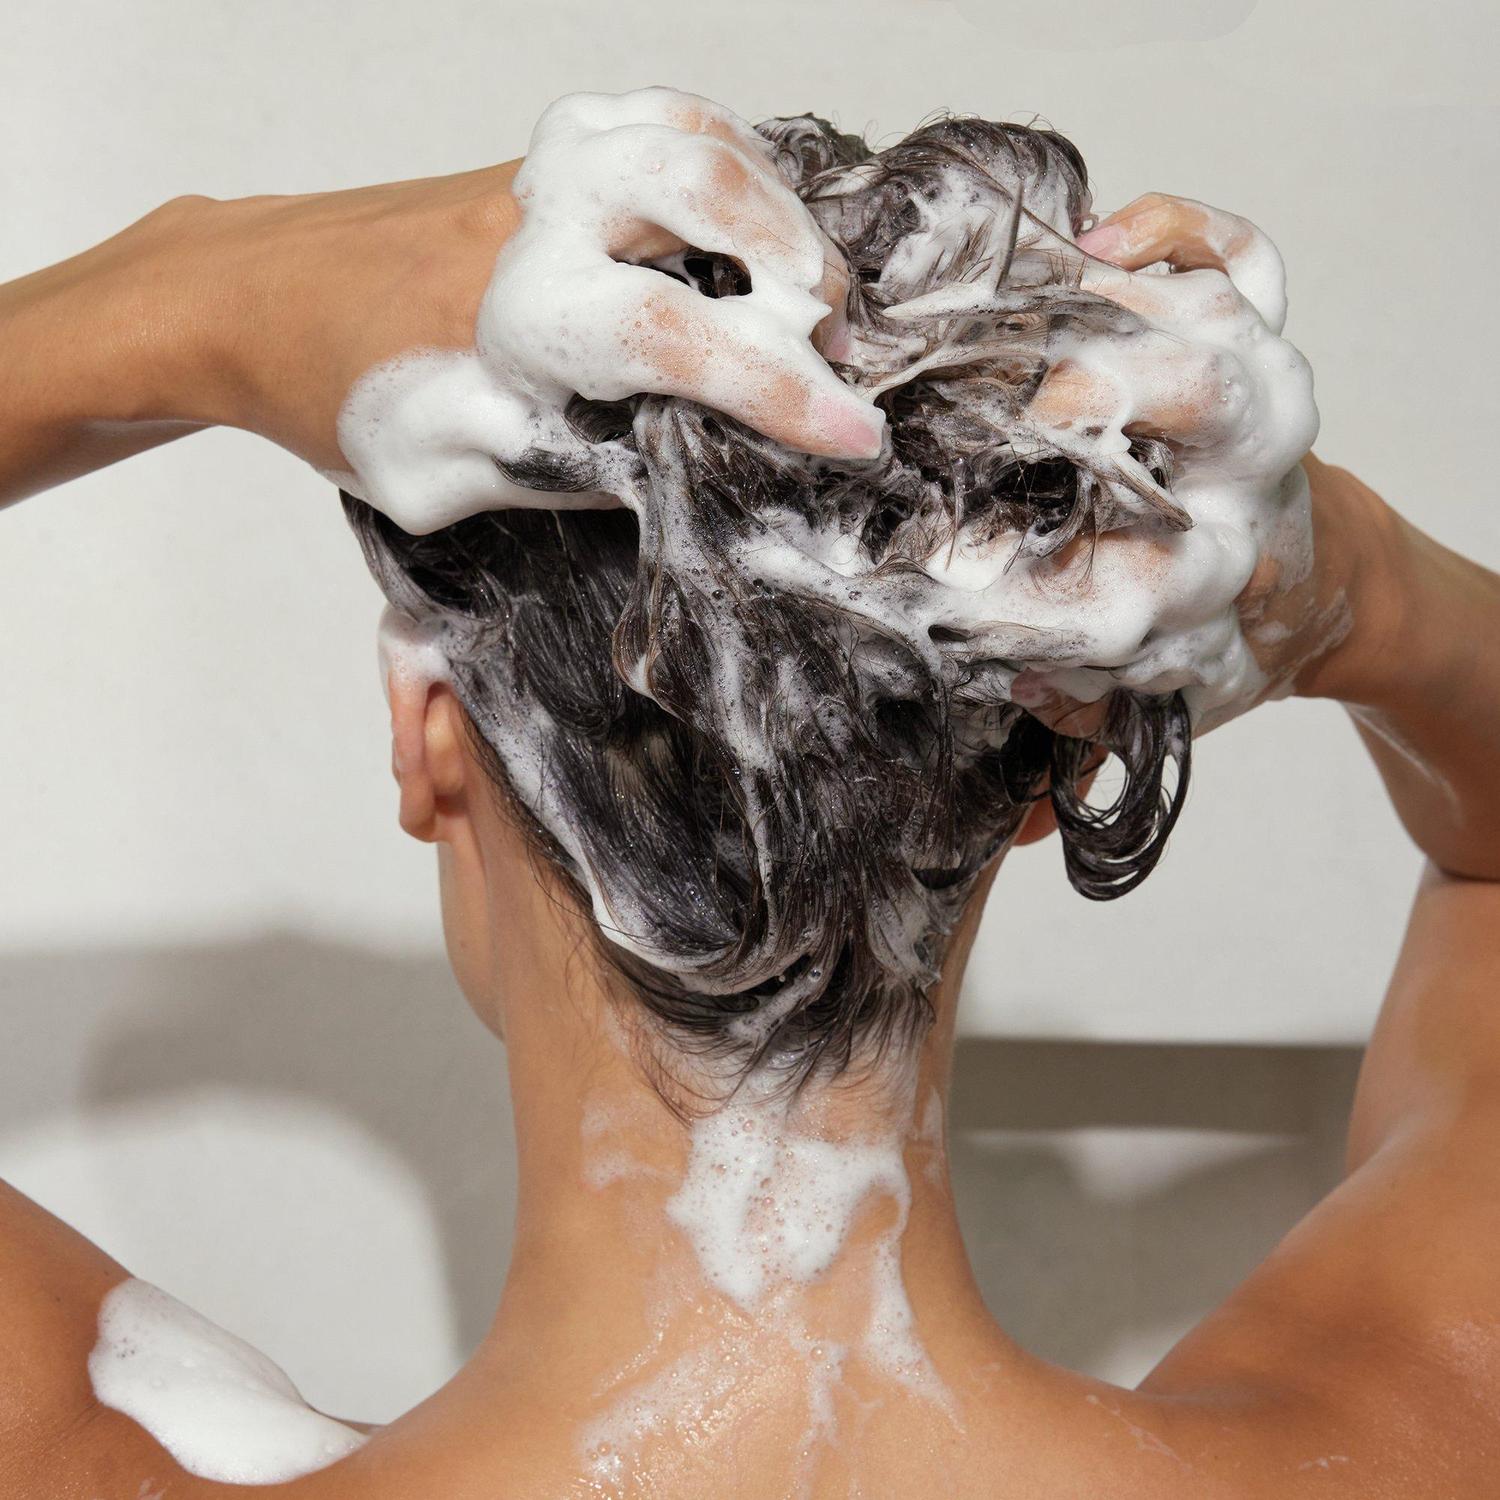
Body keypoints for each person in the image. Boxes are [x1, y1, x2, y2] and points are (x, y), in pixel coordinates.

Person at [3, 96, 1499, 1500]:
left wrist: (194, 286)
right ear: (1052, 773)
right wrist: (1339, 582)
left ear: (429, 737)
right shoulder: (1407, 1437)